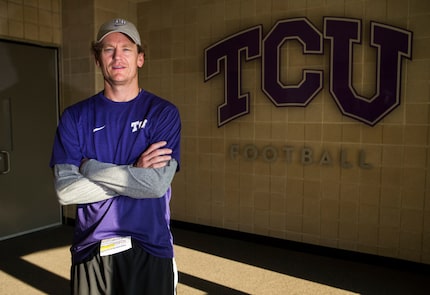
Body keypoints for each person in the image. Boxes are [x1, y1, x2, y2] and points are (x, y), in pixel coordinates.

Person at [50, 18, 181, 295]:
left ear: (140, 58)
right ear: (98, 59)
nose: (117, 56)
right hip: (92, 248)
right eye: (108, 49)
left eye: (126, 49)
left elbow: (155, 185)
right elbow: (67, 191)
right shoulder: (75, 117)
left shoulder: (163, 113)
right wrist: (134, 170)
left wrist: (90, 167)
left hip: (151, 246)